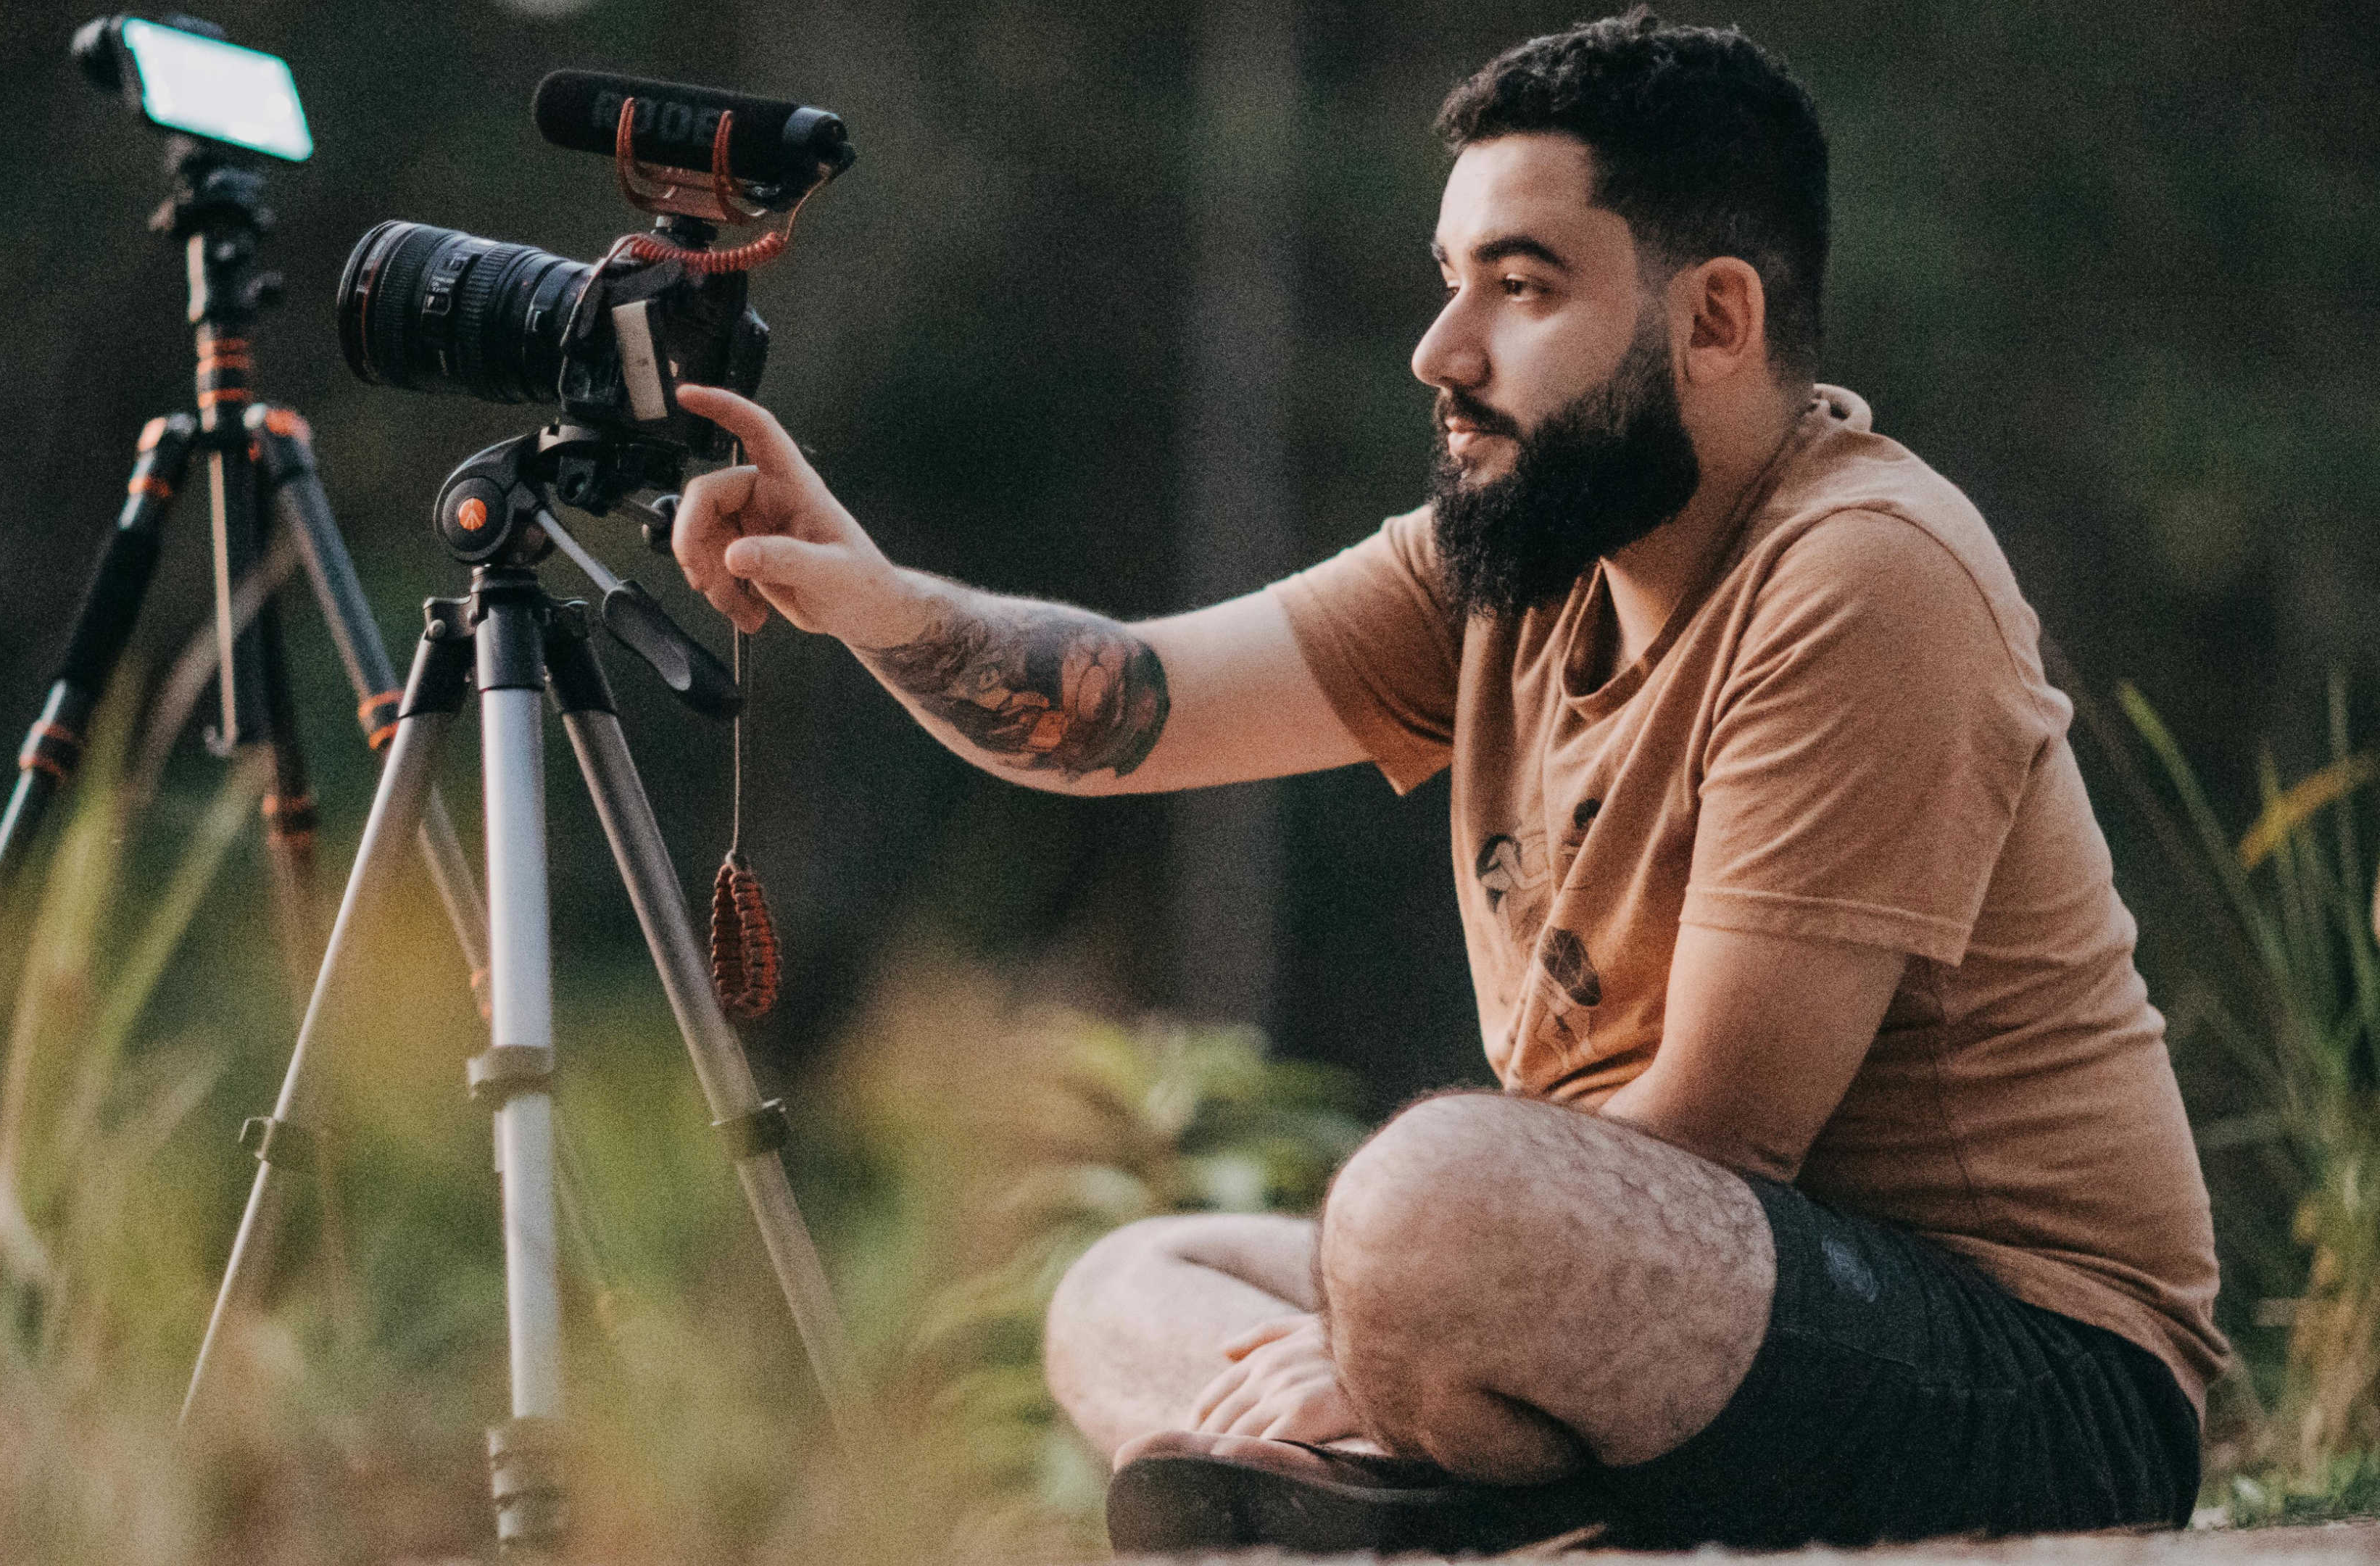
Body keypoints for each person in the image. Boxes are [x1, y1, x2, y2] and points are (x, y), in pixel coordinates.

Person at [666, 9, 2225, 1552]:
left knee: (1428, 1204)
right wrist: (861, 591)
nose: (1442, 352)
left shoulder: (1864, 573)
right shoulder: (1529, 553)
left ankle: (1412, 1471)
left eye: (1521, 286)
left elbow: (1721, 1137)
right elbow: (1128, 704)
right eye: (1446, 282)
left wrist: (1379, 1327)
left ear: (1718, 319)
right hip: (1674, 1316)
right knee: (1120, 1291)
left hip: (2033, 1379)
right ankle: (1433, 1504)